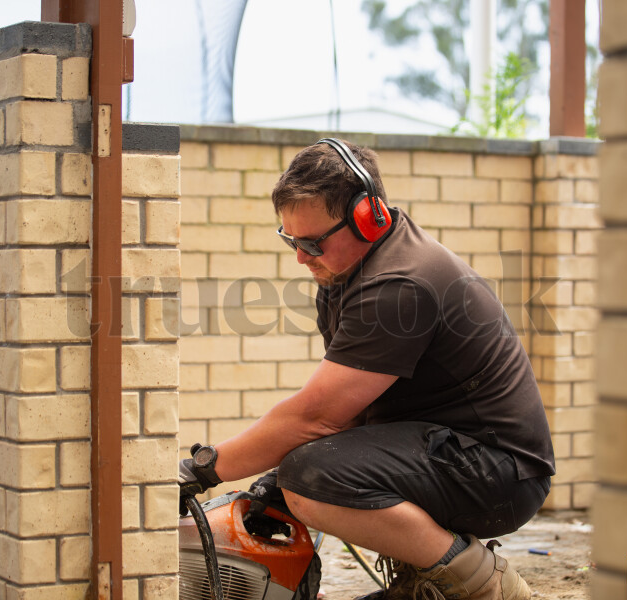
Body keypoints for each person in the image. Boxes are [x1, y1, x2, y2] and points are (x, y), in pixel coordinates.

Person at [179, 138, 555, 600]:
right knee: (300, 475)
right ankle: (424, 579)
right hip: (449, 452)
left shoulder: (398, 284)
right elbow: (352, 412)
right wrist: (270, 482)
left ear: (369, 217)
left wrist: (200, 470)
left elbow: (316, 417)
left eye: (313, 242)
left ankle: (485, 585)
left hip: (499, 473)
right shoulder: (342, 279)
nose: (300, 256)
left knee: (311, 478)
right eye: (290, 240)